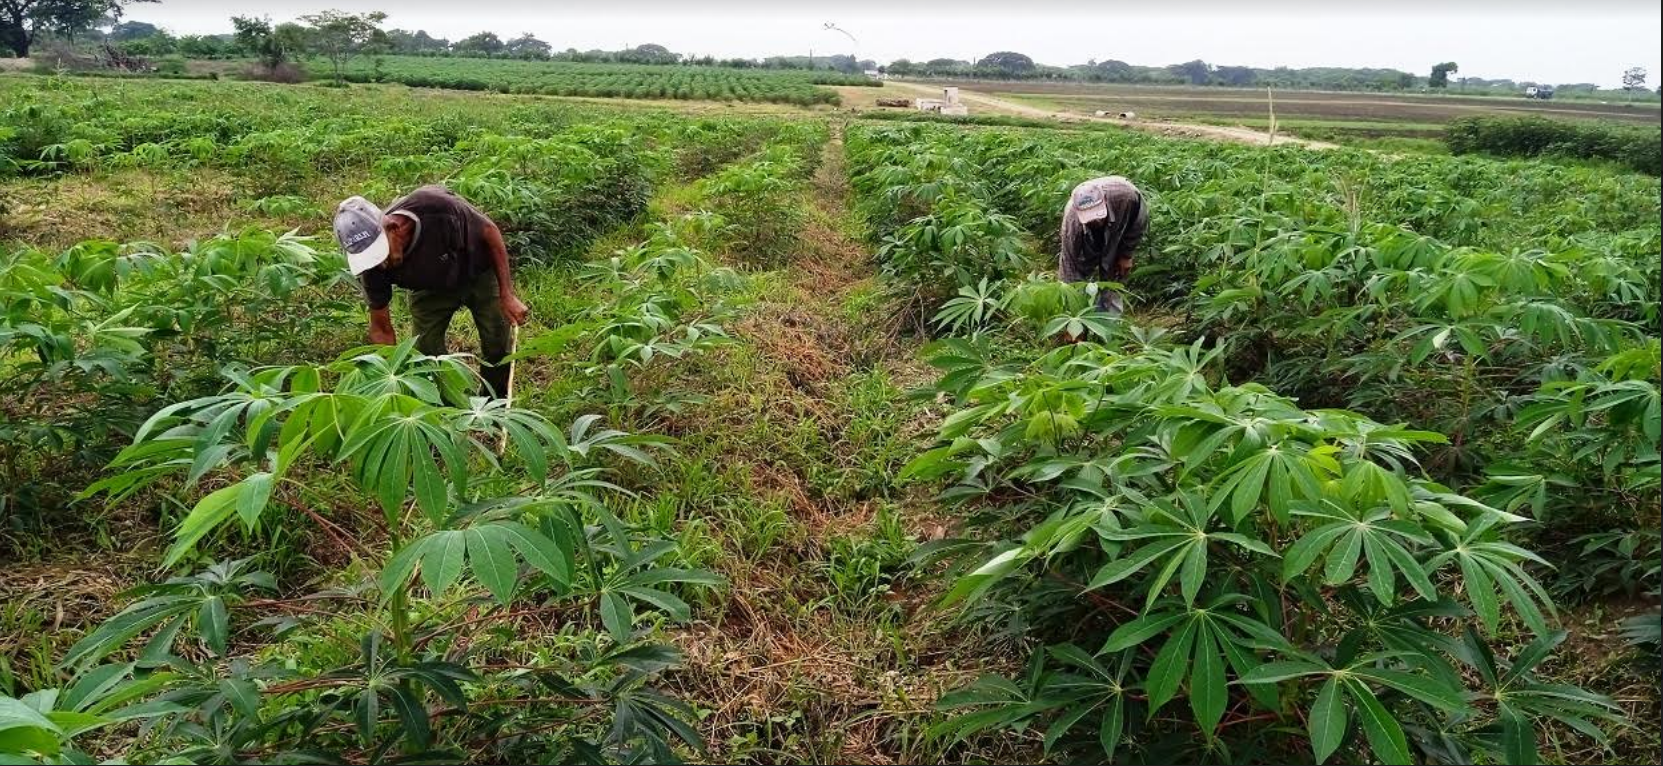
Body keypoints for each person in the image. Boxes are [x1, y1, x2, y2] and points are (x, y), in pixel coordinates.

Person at [332, 185, 529, 398]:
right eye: (372, 258)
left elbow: (489, 232)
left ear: (393, 228)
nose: (382, 264)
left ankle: (494, 402)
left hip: (477, 271)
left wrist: (507, 294)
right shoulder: (372, 268)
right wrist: (391, 374)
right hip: (427, 288)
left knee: (497, 343)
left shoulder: (436, 208)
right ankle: (449, 405)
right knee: (425, 352)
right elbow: (381, 327)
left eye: (381, 253)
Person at [1058, 176, 1147, 316]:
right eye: (1090, 218)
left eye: (1098, 215)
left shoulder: (1126, 197)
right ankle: (1084, 318)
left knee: (1114, 275)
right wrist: (1072, 317)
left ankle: (1109, 324)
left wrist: (1126, 254)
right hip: (1086, 237)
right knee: (1078, 278)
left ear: (1104, 200)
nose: (1096, 221)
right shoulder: (1072, 225)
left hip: (1117, 228)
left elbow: (1138, 222)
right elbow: (1069, 268)